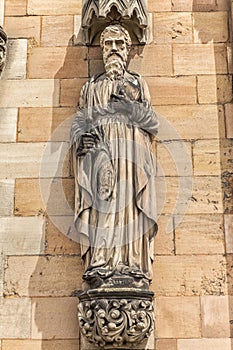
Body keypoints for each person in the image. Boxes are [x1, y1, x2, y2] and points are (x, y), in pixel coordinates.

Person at [71, 24, 158, 290]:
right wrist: (81, 141)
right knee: (103, 202)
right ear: (101, 49)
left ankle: (131, 264)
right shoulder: (92, 87)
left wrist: (128, 107)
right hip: (101, 153)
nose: (114, 50)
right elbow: (79, 123)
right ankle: (102, 262)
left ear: (128, 50)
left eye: (119, 45)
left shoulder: (136, 83)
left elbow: (152, 122)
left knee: (129, 203)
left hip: (131, 152)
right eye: (108, 45)